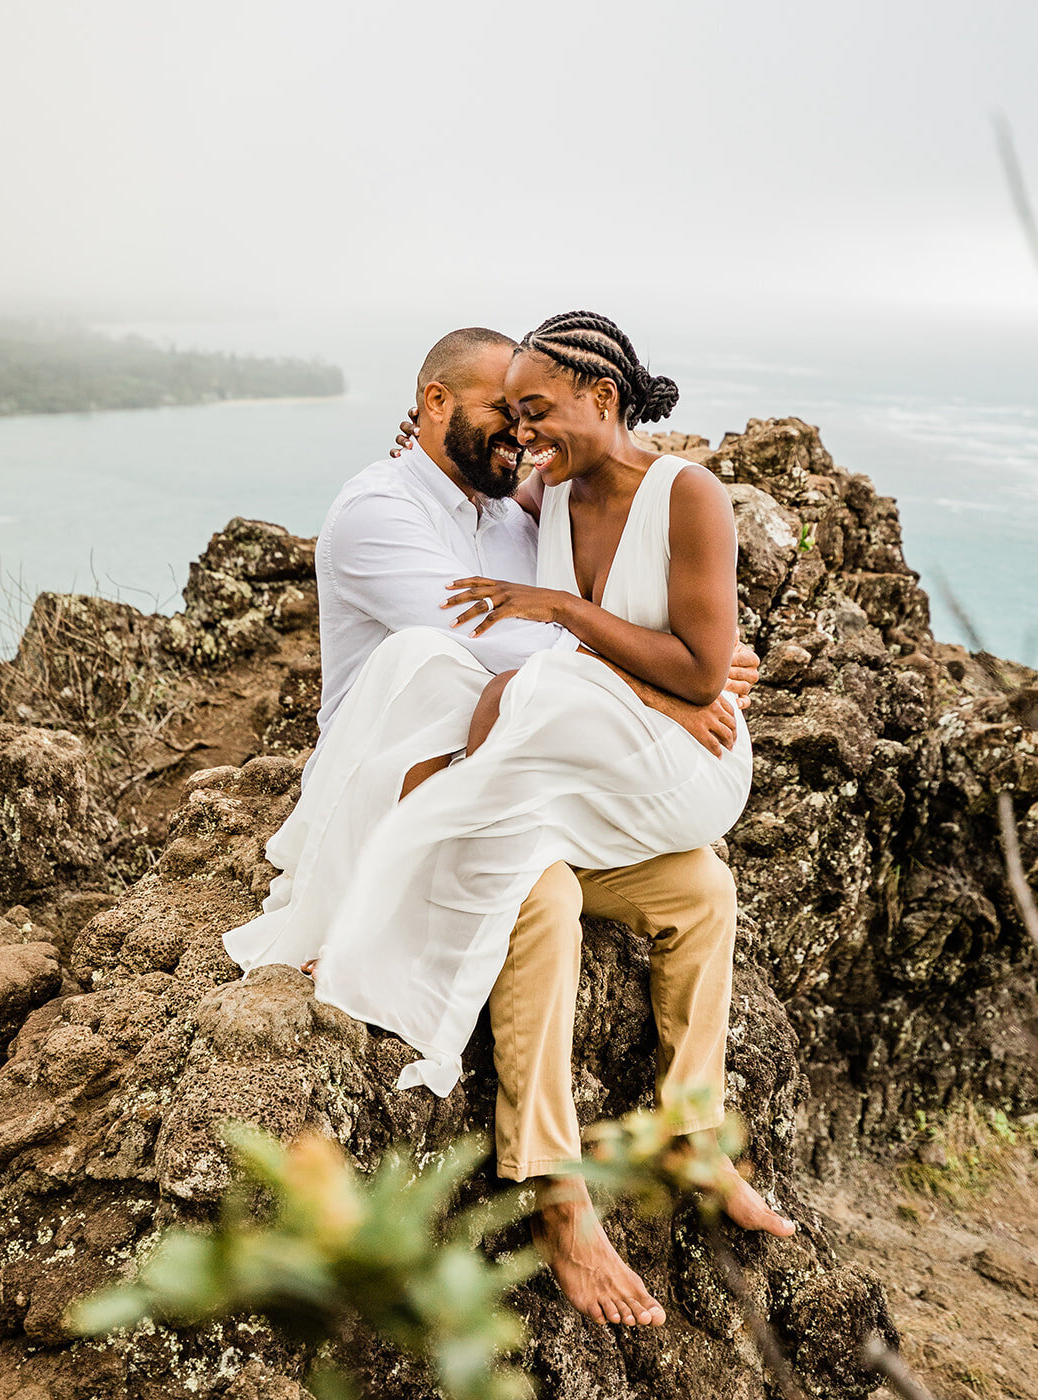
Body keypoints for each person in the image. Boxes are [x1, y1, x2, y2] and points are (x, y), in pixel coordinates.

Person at [224, 316, 794, 1331]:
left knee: (700, 886)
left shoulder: (519, 500)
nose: (520, 435)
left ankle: (692, 1136)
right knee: (541, 890)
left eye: (531, 414)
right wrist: (671, 680)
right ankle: (559, 1199)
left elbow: (594, 591)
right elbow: (495, 659)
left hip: (530, 767)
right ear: (432, 404)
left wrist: (682, 660)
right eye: (505, 412)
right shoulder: (379, 510)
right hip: (417, 771)